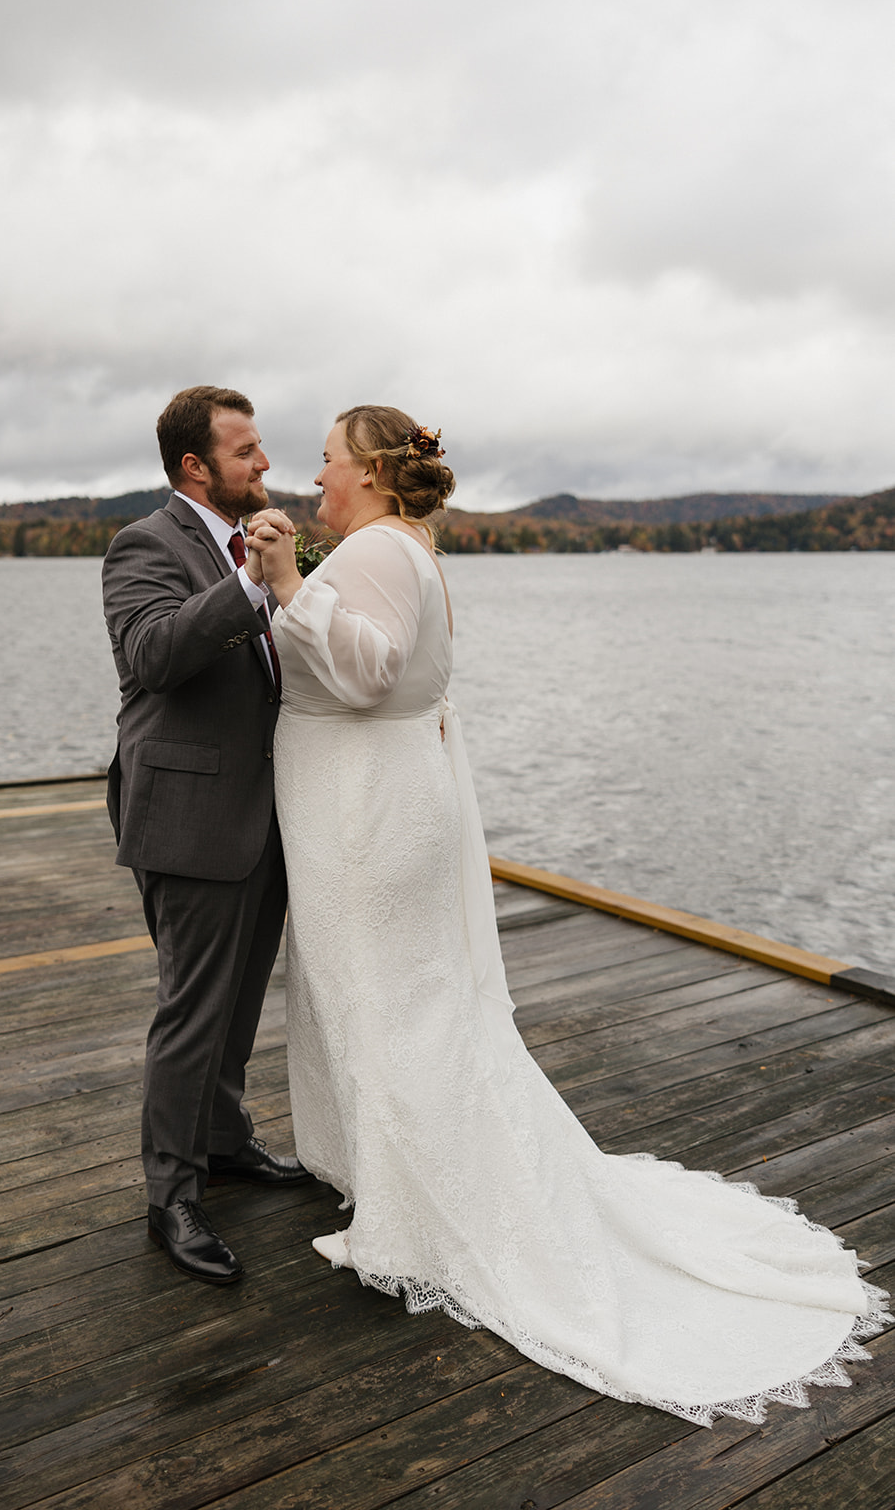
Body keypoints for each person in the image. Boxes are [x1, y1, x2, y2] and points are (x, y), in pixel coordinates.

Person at [243, 403, 890, 1425]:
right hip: (377, 797)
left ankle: (416, 1212)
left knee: (381, 998)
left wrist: (285, 586)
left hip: (361, 811)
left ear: (366, 473)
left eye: (326, 462)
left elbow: (364, 678)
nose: (314, 479)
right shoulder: (399, 543)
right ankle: (403, 1177)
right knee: (404, 996)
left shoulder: (371, 549)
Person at [102, 384, 310, 1289]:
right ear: (196, 466)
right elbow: (151, 654)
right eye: (247, 452)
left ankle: (224, 1144)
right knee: (192, 1009)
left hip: (266, 812)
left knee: (238, 1001)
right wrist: (247, 584)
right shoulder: (145, 544)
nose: (265, 465)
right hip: (189, 815)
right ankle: (172, 1196)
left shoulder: (252, 541)